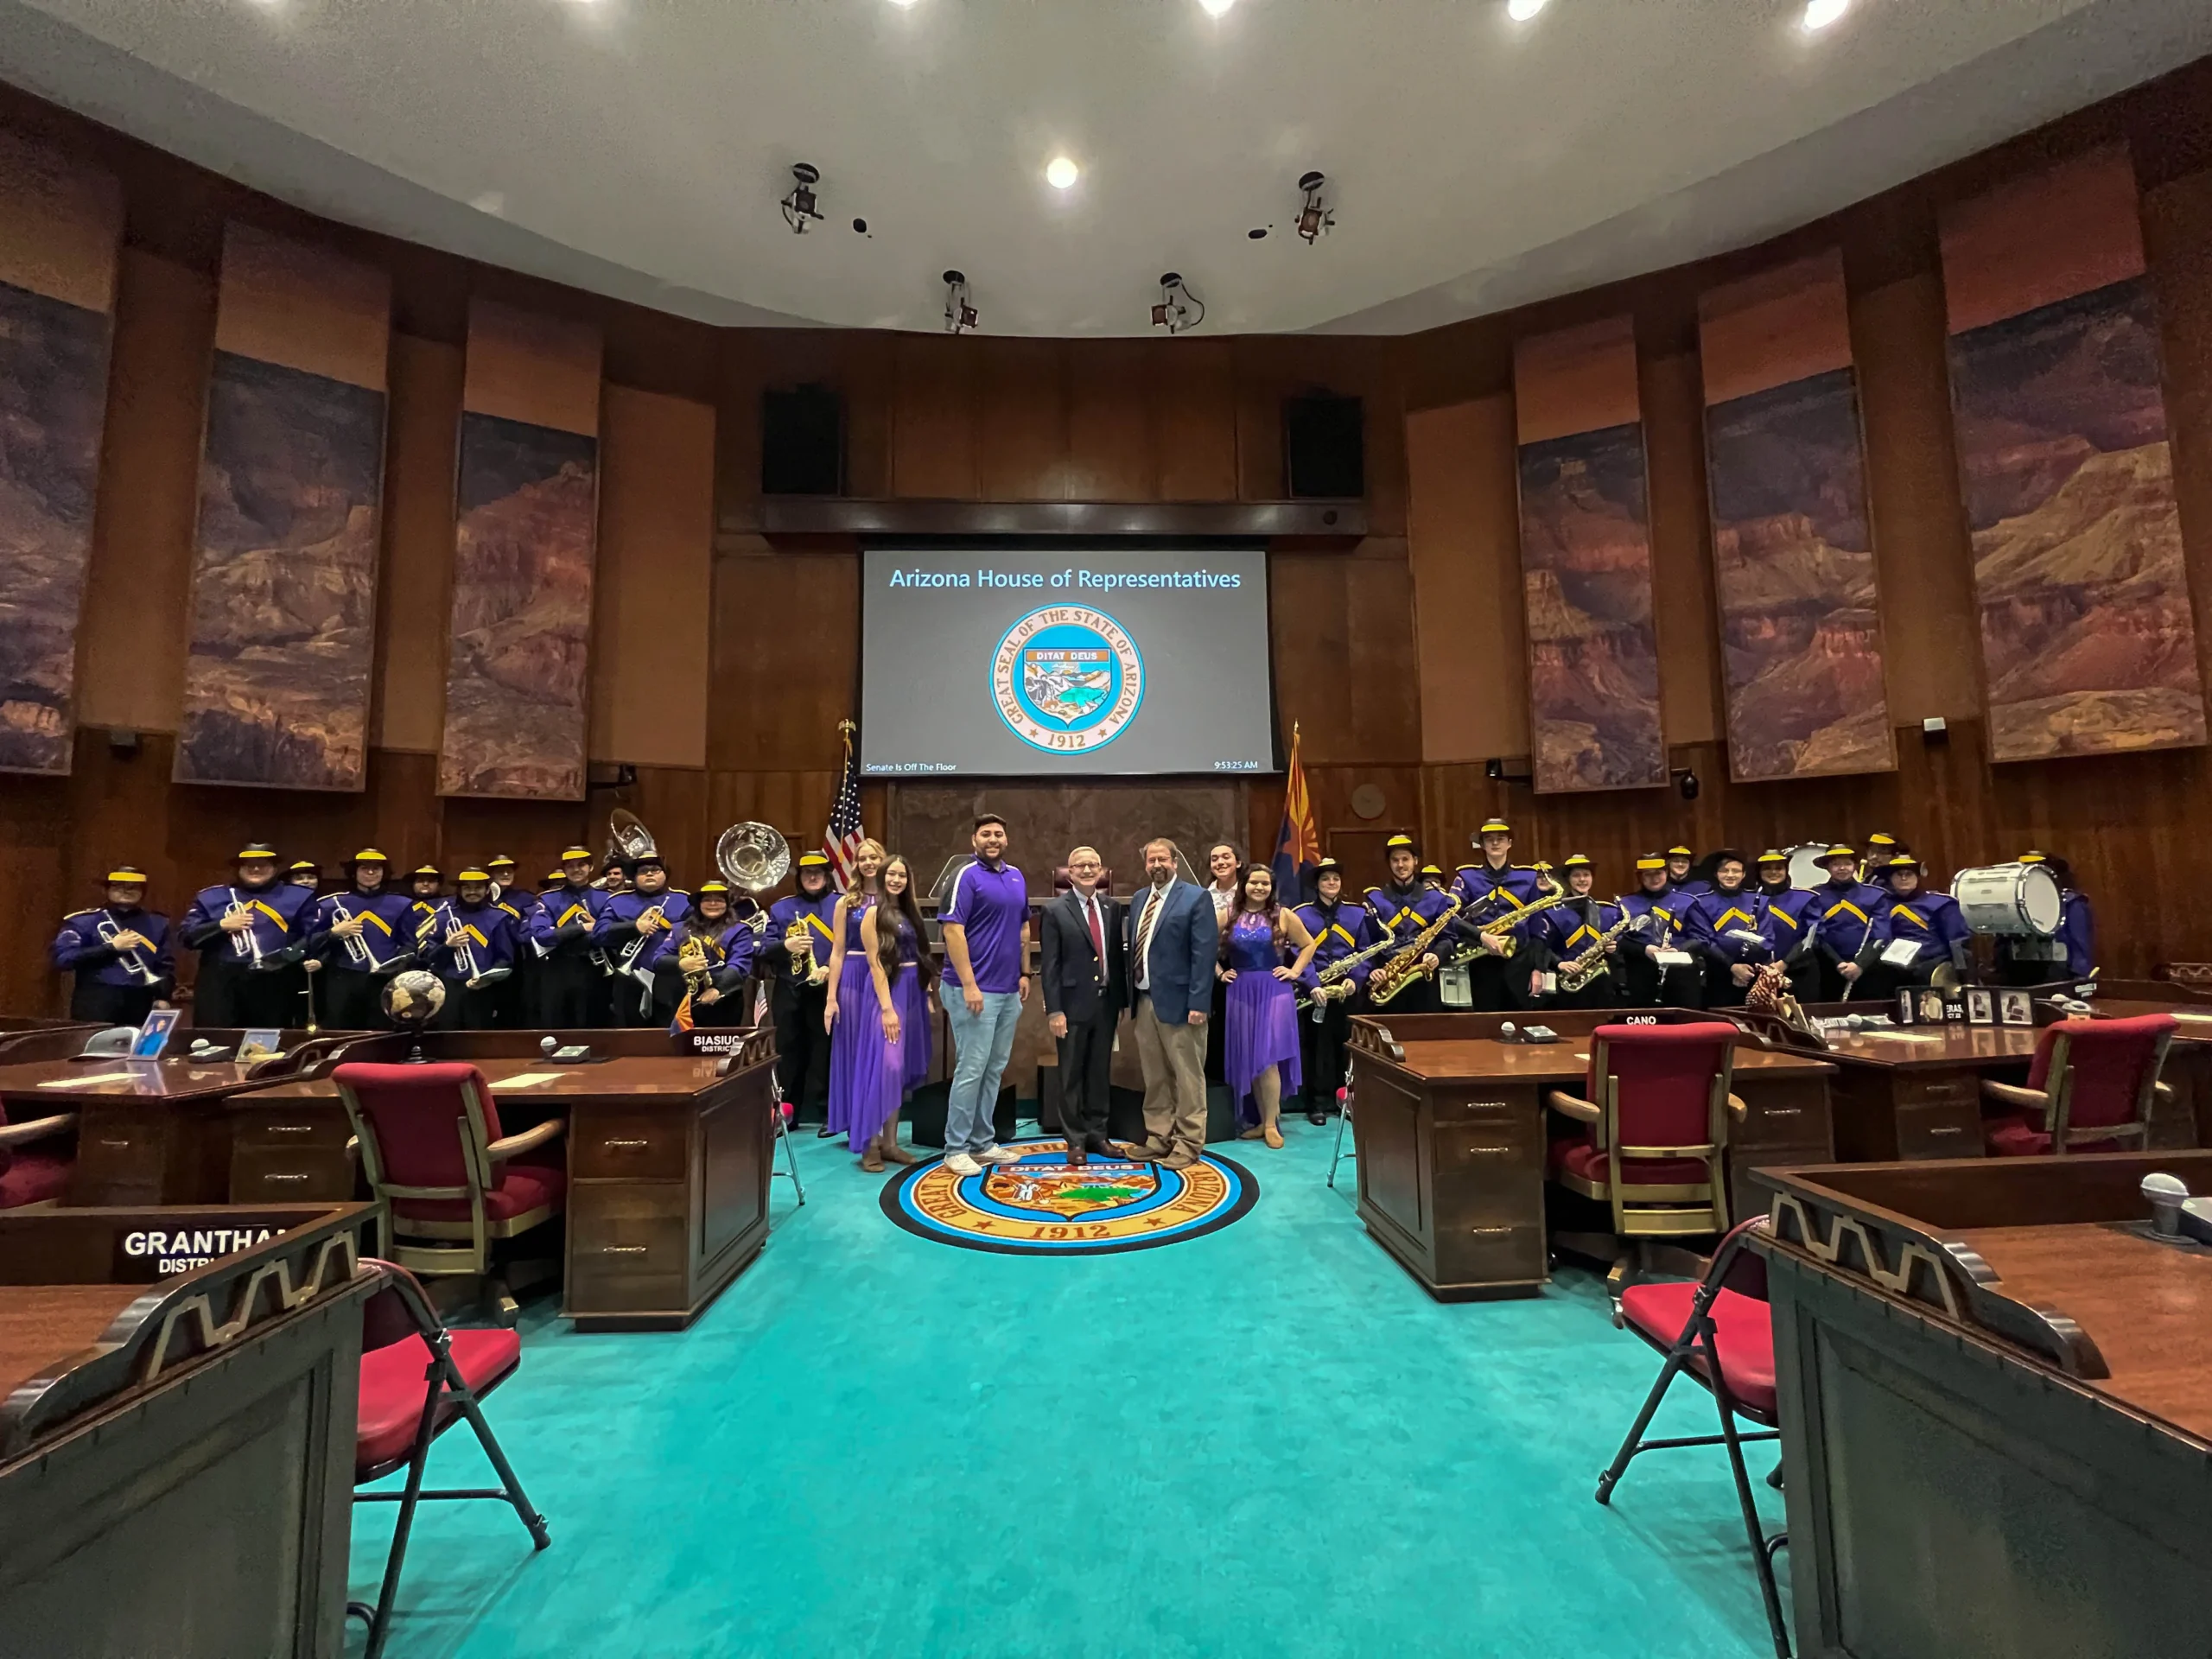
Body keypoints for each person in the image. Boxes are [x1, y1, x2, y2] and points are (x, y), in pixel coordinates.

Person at [938, 815, 1031, 1177]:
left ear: (1006, 839)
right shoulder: (965, 875)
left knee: (993, 1069)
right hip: (972, 991)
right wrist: (970, 984)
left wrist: (1024, 972)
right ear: (974, 838)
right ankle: (956, 1147)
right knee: (971, 1068)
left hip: (1008, 990)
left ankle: (982, 1141)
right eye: (986, 834)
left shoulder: (1016, 875)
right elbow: (953, 931)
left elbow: (1023, 928)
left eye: (999, 834)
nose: (993, 839)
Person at [1125, 836, 1217, 1169]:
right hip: (1146, 1000)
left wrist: (1199, 1003)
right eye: (1151, 860)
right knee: (1155, 1076)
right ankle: (1158, 1136)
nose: (1157, 865)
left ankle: (1189, 1142)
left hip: (1183, 1004)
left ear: (1175, 862)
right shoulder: (1138, 899)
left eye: (1163, 859)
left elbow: (1204, 956)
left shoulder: (1195, 898)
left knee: (1187, 1076)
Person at [1217, 863, 1318, 1149]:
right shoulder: (1227, 915)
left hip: (1275, 990)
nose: (1260, 888)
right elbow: (1204, 949)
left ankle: (1272, 1124)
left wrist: (1295, 971)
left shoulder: (1283, 915)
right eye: (1254, 883)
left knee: (1269, 1057)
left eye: (1266, 884)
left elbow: (1308, 945)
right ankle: (1261, 1121)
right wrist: (1219, 973)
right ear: (1244, 885)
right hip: (1241, 991)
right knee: (1252, 1058)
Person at [1039, 844, 1127, 1165]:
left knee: (1099, 1074)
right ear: (1070, 873)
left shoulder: (1113, 908)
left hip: (1106, 1007)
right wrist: (1055, 1009)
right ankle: (1075, 1139)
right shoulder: (1054, 911)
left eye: (1093, 865)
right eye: (1080, 866)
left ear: (1101, 871)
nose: (1088, 870)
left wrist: (1121, 1002)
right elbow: (1050, 965)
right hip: (1071, 1007)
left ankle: (1098, 1135)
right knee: (1071, 1074)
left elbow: (1117, 959)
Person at [853, 854, 935, 1173]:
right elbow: (874, 964)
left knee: (900, 1074)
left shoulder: (910, 913)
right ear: (883, 877)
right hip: (889, 996)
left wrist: (927, 995)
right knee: (886, 1067)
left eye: (902, 875)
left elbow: (921, 956)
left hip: (913, 995)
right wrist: (887, 1008)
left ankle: (890, 1143)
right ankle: (869, 1144)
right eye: (891, 875)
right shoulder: (873, 913)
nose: (896, 880)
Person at [180, 843, 315, 1028]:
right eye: (249, 865)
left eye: (263, 864)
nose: (256, 869)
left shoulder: (298, 896)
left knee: (269, 1045)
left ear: (275, 868)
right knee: (215, 1041)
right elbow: (186, 936)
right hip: (220, 984)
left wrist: (287, 957)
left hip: (276, 981)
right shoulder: (211, 897)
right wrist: (221, 925)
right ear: (238, 869)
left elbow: (314, 935)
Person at [1294, 857, 1377, 1124]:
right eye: (1325, 879)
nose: (1331, 883)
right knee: (1316, 1048)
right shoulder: (1301, 914)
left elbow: (1366, 952)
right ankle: (1317, 1103)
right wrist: (1313, 984)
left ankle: (1347, 1101)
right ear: (1317, 884)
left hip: (1346, 989)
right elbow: (1296, 952)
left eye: (1335, 879)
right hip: (1315, 989)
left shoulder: (1357, 914)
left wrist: (1356, 979)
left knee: (1347, 1047)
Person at [766, 852, 841, 1127]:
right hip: (790, 988)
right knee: (787, 1051)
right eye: (807, 873)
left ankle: (827, 1115)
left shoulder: (841, 904)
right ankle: (787, 1113)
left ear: (827, 875)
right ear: (799, 877)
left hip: (828, 987)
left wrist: (831, 970)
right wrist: (785, 947)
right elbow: (762, 948)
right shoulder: (780, 908)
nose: (812, 877)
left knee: (826, 1052)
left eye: (818, 872)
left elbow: (853, 947)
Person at [823, 839, 888, 1154]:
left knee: (883, 1053)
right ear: (856, 864)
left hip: (887, 976)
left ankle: (881, 1129)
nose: (868, 862)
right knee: (853, 1050)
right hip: (853, 974)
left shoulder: (895, 899)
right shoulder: (846, 903)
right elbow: (836, 952)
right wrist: (831, 998)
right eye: (863, 858)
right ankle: (856, 1126)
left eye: (874, 857)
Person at [305, 849, 416, 1030]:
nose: (370, 873)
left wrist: (396, 966)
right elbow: (312, 943)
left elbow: (410, 944)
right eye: (364, 868)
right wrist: (334, 933)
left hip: (384, 979)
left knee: (381, 1031)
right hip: (341, 978)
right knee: (340, 1029)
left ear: (384, 873)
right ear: (354, 872)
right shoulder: (331, 903)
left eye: (376, 869)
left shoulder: (402, 904)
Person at [50, 867, 174, 1027]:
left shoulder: (158, 923)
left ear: (143, 891)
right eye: (118, 885)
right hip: (96, 999)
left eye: (133, 887)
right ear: (107, 890)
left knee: (137, 1050)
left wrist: (163, 996)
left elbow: (166, 965)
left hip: (140, 1001)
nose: (126, 891)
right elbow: (63, 959)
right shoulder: (83, 921)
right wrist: (111, 948)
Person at [1450, 819, 1548, 1011]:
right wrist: (1481, 935)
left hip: (1521, 962)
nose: (1495, 843)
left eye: (1501, 838)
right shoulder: (1466, 877)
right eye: (1489, 839)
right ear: (1483, 845)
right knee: (1487, 1024)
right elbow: (1450, 917)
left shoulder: (1528, 878)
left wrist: (1539, 969)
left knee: (1522, 1023)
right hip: (1482, 961)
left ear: (1509, 843)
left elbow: (1538, 928)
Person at [648, 880, 759, 1029]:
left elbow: (739, 964)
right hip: (682, 999)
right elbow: (658, 959)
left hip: (724, 1000)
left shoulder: (740, 930)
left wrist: (718, 989)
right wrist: (680, 963)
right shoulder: (679, 929)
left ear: (727, 904)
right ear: (699, 904)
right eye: (707, 900)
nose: (713, 903)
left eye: (719, 900)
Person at [595, 855, 690, 1027]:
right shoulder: (617, 901)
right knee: (629, 1037)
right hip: (630, 978)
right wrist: (635, 927)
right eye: (643, 871)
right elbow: (598, 934)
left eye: (655, 870)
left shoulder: (683, 900)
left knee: (673, 1034)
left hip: (672, 977)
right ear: (634, 877)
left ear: (665, 874)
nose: (649, 874)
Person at [1365, 834, 1453, 1014]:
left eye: (1405, 859)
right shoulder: (1375, 899)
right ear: (1389, 864)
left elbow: (1448, 937)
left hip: (1425, 978)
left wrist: (1437, 955)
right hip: (1388, 981)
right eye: (1395, 860)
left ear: (1415, 861)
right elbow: (1367, 943)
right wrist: (1373, 969)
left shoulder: (1436, 898)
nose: (1400, 865)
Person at [1864, 855, 1971, 996]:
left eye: (1908, 874)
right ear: (1890, 879)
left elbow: (1957, 941)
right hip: (1892, 965)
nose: (1904, 878)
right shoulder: (1881, 905)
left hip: (1931, 963)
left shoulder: (1941, 903)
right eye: (1899, 874)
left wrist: (1961, 974)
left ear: (1917, 877)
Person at [423, 868, 517, 1028]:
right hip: (449, 988)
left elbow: (506, 959)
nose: (472, 892)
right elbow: (429, 958)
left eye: (478, 887)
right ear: (459, 890)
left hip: (484, 991)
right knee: (448, 1037)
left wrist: (486, 979)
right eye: (467, 887)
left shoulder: (500, 917)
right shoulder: (443, 917)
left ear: (487, 890)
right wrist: (448, 946)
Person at [531, 848, 613, 1027]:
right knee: (555, 1026)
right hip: (557, 969)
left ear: (591, 867)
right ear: (564, 870)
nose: (576, 870)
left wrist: (563, 934)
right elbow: (541, 935)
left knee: (593, 1025)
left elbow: (611, 936)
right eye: (570, 866)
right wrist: (585, 927)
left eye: (581, 864)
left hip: (593, 969)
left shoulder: (607, 898)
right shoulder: (547, 899)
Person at [1680, 851, 1770, 1008]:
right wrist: (1732, 967)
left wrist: (1747, 968)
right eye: (1725, 871)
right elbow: (1703, 941)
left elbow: (1768, 938)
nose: (1730, 875)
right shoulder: (1701, 903)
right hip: (1718, 976)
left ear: (1743, 875)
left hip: (1753, 975)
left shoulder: (1760, 901)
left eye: (1736, 871)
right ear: (1716, 874)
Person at [1534, 855, 1624, 1009]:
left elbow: (1619, 949)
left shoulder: (1607, 911)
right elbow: (1541, 946)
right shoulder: (1551, 912)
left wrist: (1613, 948)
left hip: (1600, 982)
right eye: (1576, 875)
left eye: (1586, 875)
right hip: (1566, 980)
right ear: (1568, 880)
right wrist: (1559, 963)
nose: (1582, 879)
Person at [1998, 852, 2096, 984]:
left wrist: (2081, 976)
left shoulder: (2070, 903)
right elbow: (2002, 941)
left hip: (2057, 973)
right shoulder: (2013, 904)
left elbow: (2079, 943)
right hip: (2017, 971)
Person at [1616, 855, 1699, 1007]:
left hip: (1680, 974)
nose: (1654, 878)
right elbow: (1618, 939)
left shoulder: (1688, 902)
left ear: (1666, 873)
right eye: (1648, 874)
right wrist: (1644, 949)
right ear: (1640, 877)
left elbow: (1700, 938)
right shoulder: (1625, 904)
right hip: (1640, 973)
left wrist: (1678, 949)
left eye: (1658, 873)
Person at [1811, 845, 1885, 1001]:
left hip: (1868, 968)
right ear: (1827, 867)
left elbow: (1882, 935)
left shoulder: (1875, 895)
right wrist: (1838, 963)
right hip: (1829, 969)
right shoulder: (1815, 896)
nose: (1842, 868)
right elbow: (1816, 935)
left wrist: (1860, 964)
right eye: (1836, 864)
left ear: (1855, 866)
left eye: (1847, 863)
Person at [1753, 850, 1821, 1002]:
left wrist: (1785, 963)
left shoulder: (1806, 898)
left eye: (1778, 868)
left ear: (1786, 871)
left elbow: (1813, 937)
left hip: (1800, 972)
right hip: (1761, 975)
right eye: (1767, 868)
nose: (1773, 872)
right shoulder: (1749, 900)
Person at [1202, 842, 1241, 1081]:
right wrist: (1217, 972)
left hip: (1246, 966)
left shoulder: (1250, 891)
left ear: (1238, 862)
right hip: (1214, 969)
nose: (1220, 862)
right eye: (1215, 858)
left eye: (1226, 857)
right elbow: (1202, 941)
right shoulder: (1203, 897)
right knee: (1216, 1031)